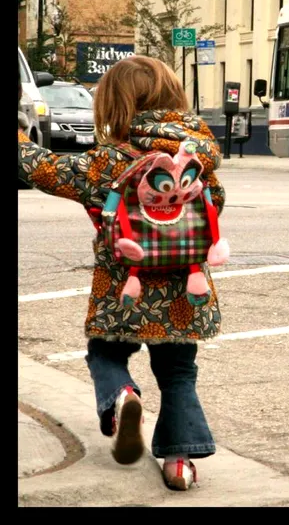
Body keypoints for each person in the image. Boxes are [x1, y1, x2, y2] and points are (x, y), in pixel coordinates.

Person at [17, 55, 226, 491]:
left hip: (122, 286)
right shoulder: (199, 154)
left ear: (114, 104)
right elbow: (215, 206)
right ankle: (179, 461)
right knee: (178, 372)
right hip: (185, 287)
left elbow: (45, 169)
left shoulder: (111, 159)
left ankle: (122, 396)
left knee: (106, 354)